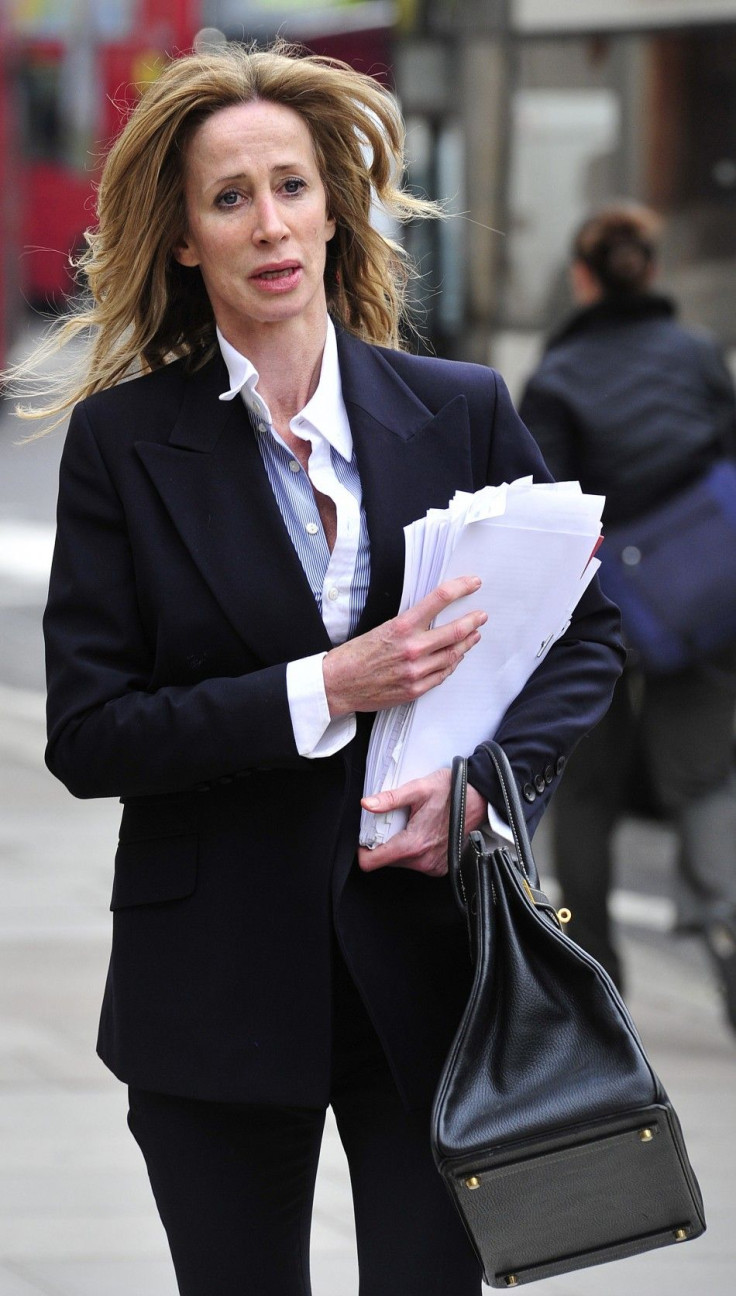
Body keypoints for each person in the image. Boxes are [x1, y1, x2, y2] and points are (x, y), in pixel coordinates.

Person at [14, 45, 623, 1296]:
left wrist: (487, 788)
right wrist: (325, 688)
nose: (270, 223)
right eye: (229, 197)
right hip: (214, 985)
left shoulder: (458, 411)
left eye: (292, 185)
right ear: (183, 238)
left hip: (436, 973)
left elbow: (586, 633)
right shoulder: (126, 446)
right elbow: (89, 734)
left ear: (336, 208)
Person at [520, 201, 736, 1022]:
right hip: (710, 600)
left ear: (582, 277)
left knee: (586, 792)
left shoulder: (557, 375)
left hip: (605, 612)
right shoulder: (698, 356)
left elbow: (549, 513)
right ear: (652, 268)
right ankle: (728, 932)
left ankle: (596, 977)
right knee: (706, 775)